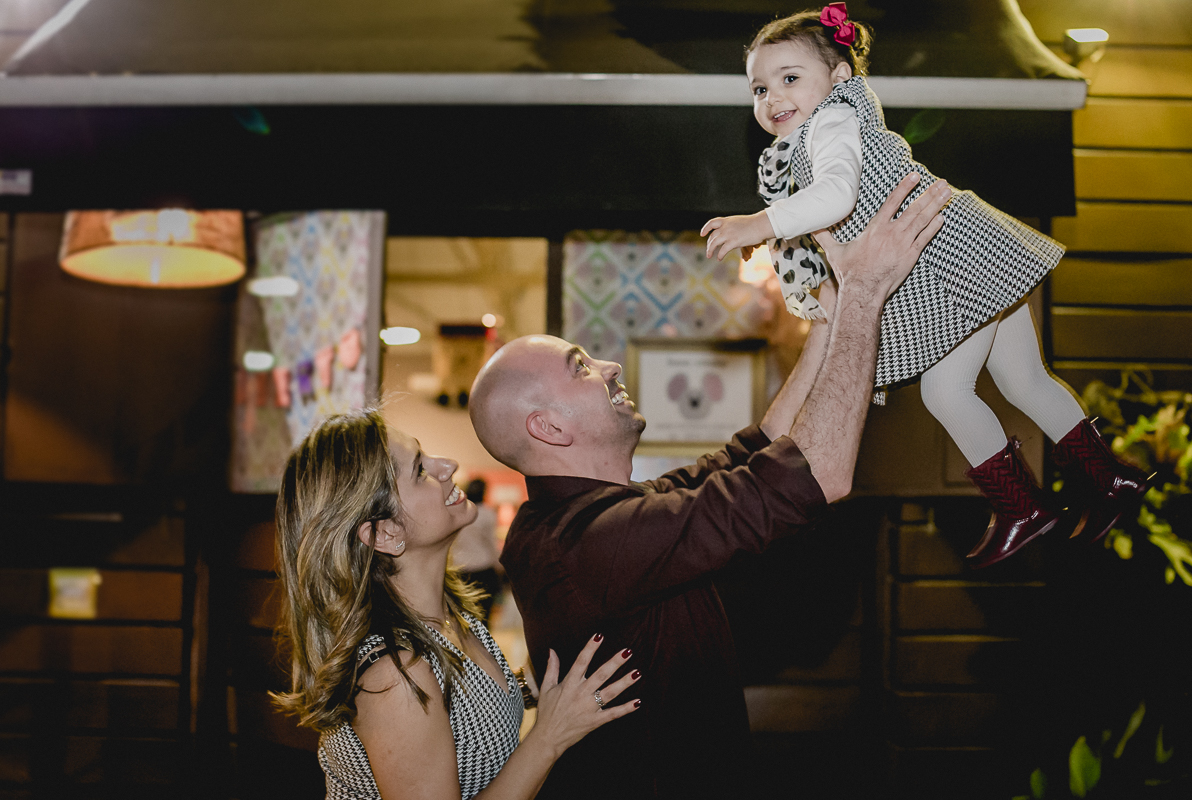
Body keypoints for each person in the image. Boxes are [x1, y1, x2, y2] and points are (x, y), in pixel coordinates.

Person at [468, 174, 950, 799]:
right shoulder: (596, 543)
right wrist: (864, 296)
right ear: (547, 426)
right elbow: (820, 474)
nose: (609, 366)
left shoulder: (593, 519)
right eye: (580, 367)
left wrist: (830, 317)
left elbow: (755, 451)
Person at [699, 3, 1149, 567]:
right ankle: (1111, 479)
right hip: (963, 247)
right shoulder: (833, 120)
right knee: (1024, 379)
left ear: (839, 77)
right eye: (759, 89)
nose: (773, 98)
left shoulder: (833, 121)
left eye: (790, 79)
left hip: (946, 262)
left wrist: (760, 222)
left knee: (947, 392)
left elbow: (836, 195)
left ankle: (1022, 509)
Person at [271, 409, 641, 800]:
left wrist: (534, 682)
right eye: (419, 470)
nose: (447, 465)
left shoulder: (443, 613)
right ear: (385, 532)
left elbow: (459, 715)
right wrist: (550, 735)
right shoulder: (393, 675)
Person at [449, 477, 503, 620]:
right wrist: (498, 564)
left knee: (464, 617)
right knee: (484, 616)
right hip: (483, 567)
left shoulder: (456, 511)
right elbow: (491, 543)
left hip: (459, 568)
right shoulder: (486, 513)